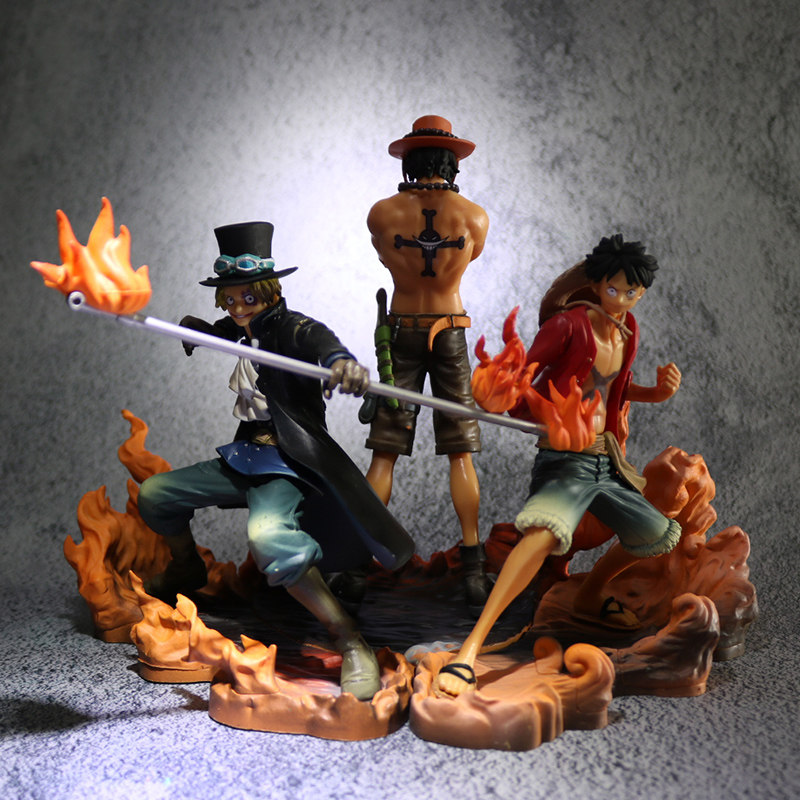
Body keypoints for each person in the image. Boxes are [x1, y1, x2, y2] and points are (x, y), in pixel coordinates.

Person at [137, 221, 414, 701]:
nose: (239, 307)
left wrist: (342, 363)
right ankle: (186, 568)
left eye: (249, 298)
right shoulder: (240, 328)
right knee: (156, 494)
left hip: (284, 463)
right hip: (243, 456)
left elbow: (321, 342)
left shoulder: (292, 328)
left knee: (270, 541)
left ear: (270, 291)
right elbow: (223, 331)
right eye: (229, 299)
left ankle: (350, 639)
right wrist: (198, 330)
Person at [433, 234, 683, 697]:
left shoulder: (628, 331)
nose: (621, 300)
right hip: (565, 460)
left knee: (657, 533)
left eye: (631, 292)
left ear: (641, 293)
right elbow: (523, 378)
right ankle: (469, 650)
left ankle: (589, 596)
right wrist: (524, 403)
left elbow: (615, 389)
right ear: (597, 285)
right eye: (613, 289)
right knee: (542, 535)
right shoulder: (568, 325)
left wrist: (657, 393)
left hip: (605, 460)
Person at [362, 115, 492, 609]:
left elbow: (384, 256)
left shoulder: (383, 215)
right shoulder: (474, 218)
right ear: (452, 164)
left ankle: (358, 562)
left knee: (384, 452)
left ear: (410, 162)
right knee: (461, 451)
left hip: (402, 330)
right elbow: (468, 257)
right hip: (449, 328)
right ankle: (473, 564)